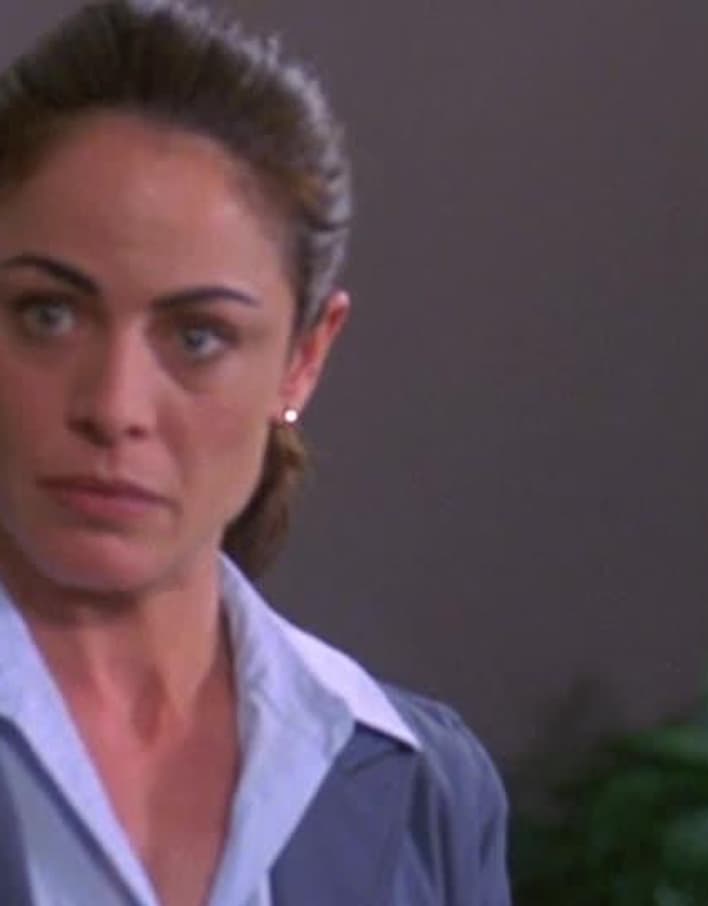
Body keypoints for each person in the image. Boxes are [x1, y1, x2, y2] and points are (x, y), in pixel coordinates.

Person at [0, 2, 509, 904]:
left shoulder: (422, 788)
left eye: (197, 337)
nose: (114, 408)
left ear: (304, 358)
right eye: (50, 315)